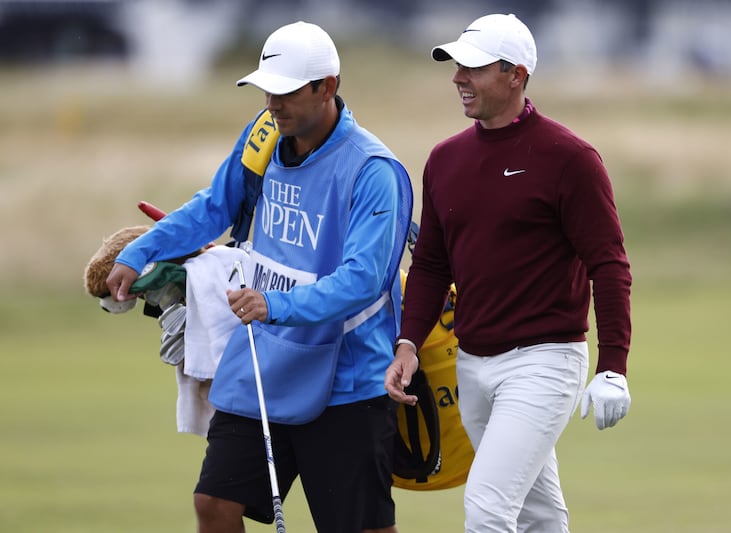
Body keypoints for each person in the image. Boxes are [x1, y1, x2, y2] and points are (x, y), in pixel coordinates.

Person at [107, 21, 412, 533]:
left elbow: (364, 280)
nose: (274, 102)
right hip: (265, 360)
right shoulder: (265, 133)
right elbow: (215, 206)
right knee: (214, 504)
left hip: (348, 379)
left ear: (327, 87)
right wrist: (142, 251)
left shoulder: (374, 170)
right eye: (268, 89)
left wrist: (275, 306)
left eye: (288, 91)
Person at [384, 13, 632, 533]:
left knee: (488, 507)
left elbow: (608, 264)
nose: (457, 78)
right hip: (471, 365)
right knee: (540, 516)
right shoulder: (445, 159)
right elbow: (430, 264)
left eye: (472, 68)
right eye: (456, 67)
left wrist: (613, 366)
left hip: (544, 363)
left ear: (515, 74)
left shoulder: (570, 158)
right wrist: (407, 343)